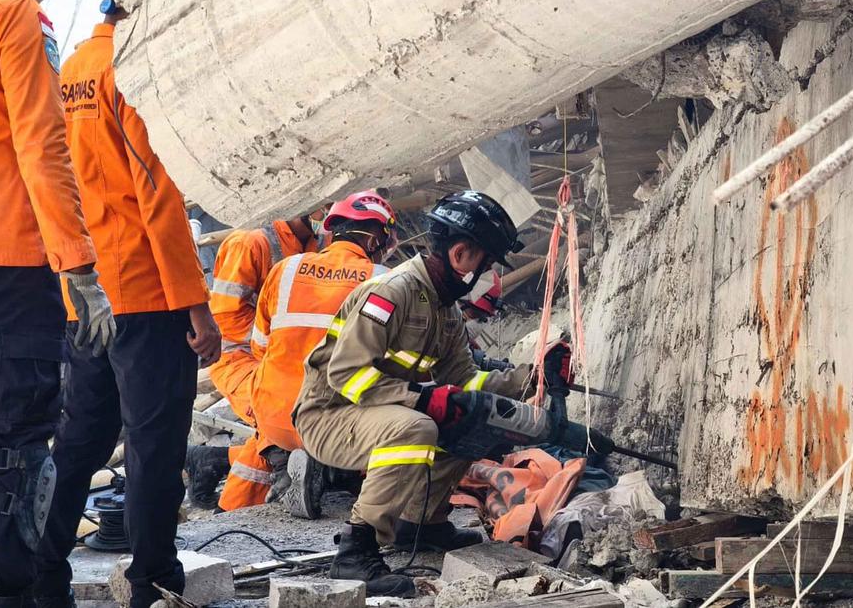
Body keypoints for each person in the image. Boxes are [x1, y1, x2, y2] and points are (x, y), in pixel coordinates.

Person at [32, 0, 221, 605]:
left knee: (78, 441)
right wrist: (197, 306)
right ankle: (153, 582)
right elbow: (157, 198)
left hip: (89, 295)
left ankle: (41, 567)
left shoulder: (77, 66)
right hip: (146, 295)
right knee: (154, 445)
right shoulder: (133, 72)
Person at [292, 191, 571, 597]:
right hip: (329, 415)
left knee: (472, 418)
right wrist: (423, 399)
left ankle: (421, 523)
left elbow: (466, 381)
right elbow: (346, 374)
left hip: (376, 413)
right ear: (461, 254)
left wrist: (533, 376)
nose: (487, 274)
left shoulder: (445, 310)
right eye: (486, 263)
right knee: (417, 427)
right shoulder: (392, 293)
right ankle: (356, 549)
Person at [0, 0, 121, 605]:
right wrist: (79, 267)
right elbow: (42, 145)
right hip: (5, 265)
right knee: (17, 454)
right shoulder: (12, 14)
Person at [216, 191, 398, 516]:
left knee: (269, 427)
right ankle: (319, 466)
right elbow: (226, 322)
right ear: (374, 241)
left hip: (273, 399)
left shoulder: (289, 265)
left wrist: (289, 344)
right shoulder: (383, 280)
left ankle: (234, 503)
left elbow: (263, 345)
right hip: (237, 358)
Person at [184, 204, 329, 508]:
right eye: (326, 207)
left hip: (282, 359)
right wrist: (284, 339)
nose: (329, 215)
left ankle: (217, 468)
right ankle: (234, 508)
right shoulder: (249, 244)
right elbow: (226, 321)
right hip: (237, 357)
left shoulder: (320, 245)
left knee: (281, 427)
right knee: (276, 418)